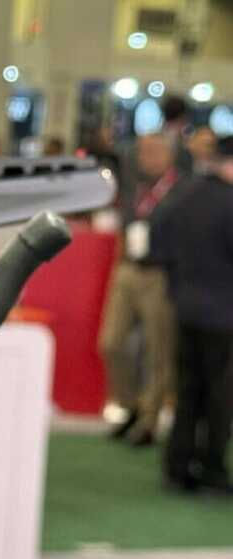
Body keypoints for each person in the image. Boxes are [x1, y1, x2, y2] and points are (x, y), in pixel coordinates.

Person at [99, 134, 183, 446]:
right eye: (143, 151)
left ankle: (149, 418)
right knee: (111, 342)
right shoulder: (134, 185)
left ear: (169, 155)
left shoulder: (180, 191)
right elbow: (126, 225)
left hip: (161, 274)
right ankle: (129, 404)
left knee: (157, 351)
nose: (147, 157)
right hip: (128, 269)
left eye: (154, 151)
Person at [161, 136, 233, 493]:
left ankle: (178, 466)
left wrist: (177, 286)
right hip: (223, 314)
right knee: (220, 396)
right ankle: (212, 469)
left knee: (188, 390)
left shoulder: (186, 193)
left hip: (186, 308)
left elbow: (159, 235)